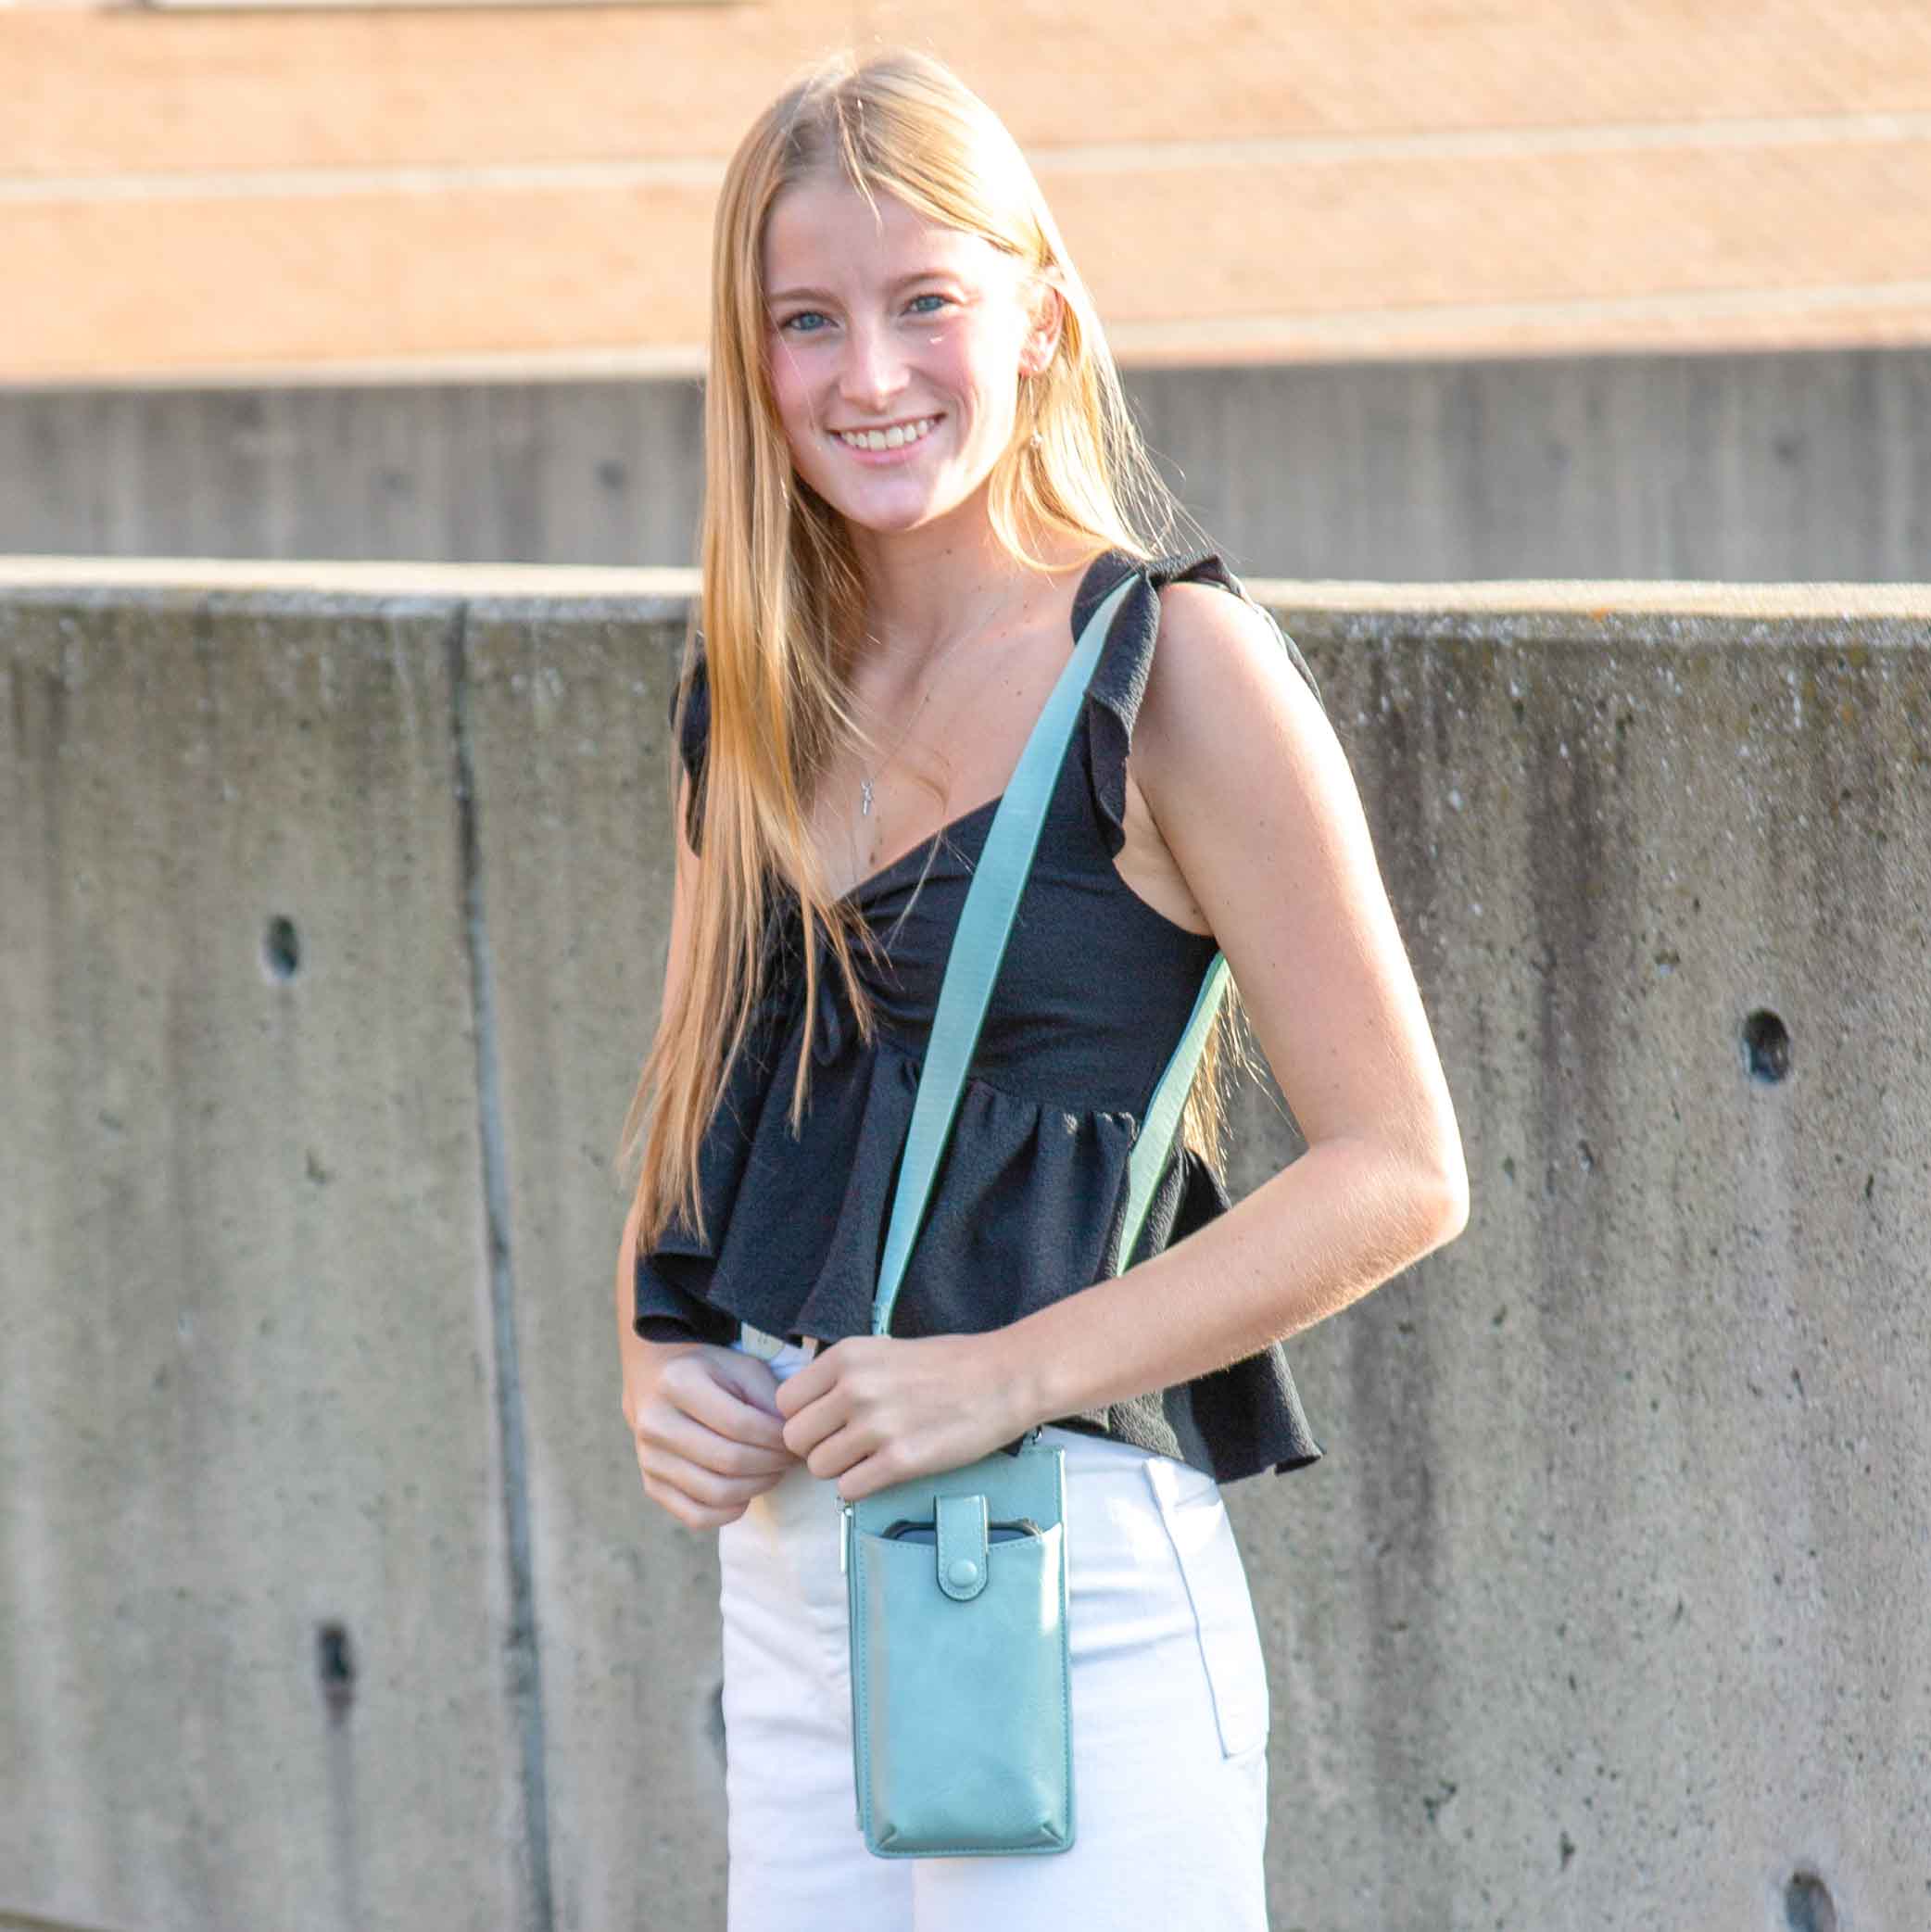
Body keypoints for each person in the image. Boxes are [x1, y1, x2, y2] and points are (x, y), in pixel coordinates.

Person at [612, 44, 1469, 1930]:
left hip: (1069, 1591)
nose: (869, 373)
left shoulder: (1178, 671)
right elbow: (694, 1112)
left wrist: (1003, 1370)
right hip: (793, 1581)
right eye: (807, 319)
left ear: (1041, 318)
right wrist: (652, 1356)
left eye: (926, 301)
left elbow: (1402, 1166)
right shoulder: (755, 694)